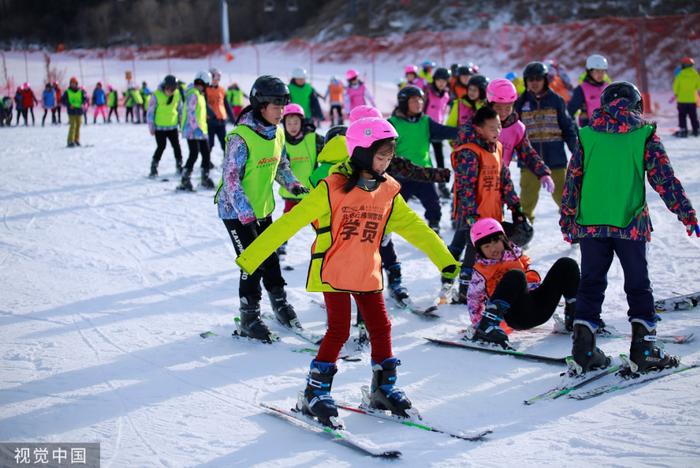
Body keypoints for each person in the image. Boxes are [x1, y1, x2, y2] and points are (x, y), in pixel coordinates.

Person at [235, 117, 460, 427]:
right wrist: (252, 258)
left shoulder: (388, 191)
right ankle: (314, 392)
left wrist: (445, 260)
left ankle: (384, 387)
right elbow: (292, 221)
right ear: (362, 152)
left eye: (390, 155)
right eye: (381, 155)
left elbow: (416, 228)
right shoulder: (332, 188)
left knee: (381, 327)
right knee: (339, 330)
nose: (387, 161)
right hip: (336, 269)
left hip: (367, 270)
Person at [560, 82, 698, 374]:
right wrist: (686, 214)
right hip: (630, 225)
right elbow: (665, 180)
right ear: (636, 106)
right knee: (638, 284)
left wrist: (567, 220)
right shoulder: (644, 134)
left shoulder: (586, 135)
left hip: (591, 224)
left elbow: (573, 181)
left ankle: (584, 351)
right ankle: (644, 350)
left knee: (591, 284)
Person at [214, 75, 308, 341]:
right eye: (276, 106)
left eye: (283, 106)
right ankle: (249, 317)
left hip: (262, 207)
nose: (281, 112)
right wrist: (245, 214)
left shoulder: (277, 132)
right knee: (252, 262)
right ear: (260, 105)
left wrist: (294, 185)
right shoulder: (240, 137)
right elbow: (231, 180)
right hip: (235, 212)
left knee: (272, 259)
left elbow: (281, 165)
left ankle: (280, 304)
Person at [444, 106, 526, 304]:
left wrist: (516, 207)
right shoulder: (469, 153)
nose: (497, 132)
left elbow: (504, 180)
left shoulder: (497, 148)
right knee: (472, 254)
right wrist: (472, 215)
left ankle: (491, 284)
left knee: (494, 251)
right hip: (473, 214)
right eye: (492, 128)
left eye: (499, 127)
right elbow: (465, 186)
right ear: (479, 129)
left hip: (493, 213)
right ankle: (464, 290)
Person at [466, 218, 579, 348]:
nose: (493, 248)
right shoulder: (481, 271)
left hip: (538, 309)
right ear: (479, 250)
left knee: (566, 264)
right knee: (516, 275)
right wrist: (478, 324)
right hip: (516, 316)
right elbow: (473, 299)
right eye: (486, 246)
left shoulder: (515, 256)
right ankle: (487, 328)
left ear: (503, 239)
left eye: (496, 241)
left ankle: (575, 318)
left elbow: (528, 283)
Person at [388, 85, 458, 234]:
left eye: (420, 100)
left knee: (433, 203)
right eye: (414, 100)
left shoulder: (426, 121)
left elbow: (444, 131)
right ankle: (385, 231)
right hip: (401, 174)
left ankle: (434, 223)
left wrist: (465, 131)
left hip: (423, 172)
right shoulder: (392, 123)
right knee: (393, 206)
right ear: (404, 102)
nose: (419, 103)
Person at [514, 61, 577, 223]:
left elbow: (568, 128)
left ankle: (573, 226)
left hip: (555, 158)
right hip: (529, 161)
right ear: (526, 81)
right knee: (527, 198)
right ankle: (524, 230)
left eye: (538, 79)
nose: (534, 82)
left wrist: (576, 151)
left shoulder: (556, 100)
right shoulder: (520, 103)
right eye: (530, 79)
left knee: (564, 196)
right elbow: (513, 131)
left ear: (545, 80)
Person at [486, 78, 553, 193]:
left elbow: (528, 153)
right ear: (489, 104)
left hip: (498, 185)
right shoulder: (477, 124)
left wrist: (543, 173)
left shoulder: (517, 128)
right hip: (473, 185)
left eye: (508, 108)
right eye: (498, 108)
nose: (503, 112)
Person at [177, 71, 214, 191]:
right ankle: (185, 180)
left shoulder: (198, 94)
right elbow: (190, 112)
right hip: (193, 130)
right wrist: (195, 127)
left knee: (206, 153)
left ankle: (205, 178)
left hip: (201, 129)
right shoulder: (193, 94)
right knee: (194, 154)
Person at [147, 74, 183, 178]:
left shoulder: (177, 94)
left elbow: (180, 110)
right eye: (169, 88)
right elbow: (150, 112)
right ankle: (154, 167)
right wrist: (151, 126)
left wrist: (181, 124)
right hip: (160, 127)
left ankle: (179, 165)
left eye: (173, 89)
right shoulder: (156, 95)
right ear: (165, 86)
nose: (170, 91)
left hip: (172, 126)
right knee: (161, 146)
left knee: (176, 146)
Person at [424, 67, 452, 198]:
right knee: (422, 156)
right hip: (424, 128)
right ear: (434, 80)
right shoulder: (428, 92)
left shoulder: (446, 95)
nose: (441, 83)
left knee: (440, 157)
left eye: (444, 81)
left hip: (438, 129)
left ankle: (441, 184)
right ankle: (419, 182)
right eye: (439, 80)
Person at [568, 55, 609, 127]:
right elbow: (570, 112)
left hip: (608, 129)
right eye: (597, 71)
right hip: (589, 130)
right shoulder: (581, 89)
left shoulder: (608, 87)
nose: (600, 74)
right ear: (589, 71)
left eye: (603, 71)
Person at [206, 68, 233, 154]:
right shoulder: (206, 90)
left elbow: (226, 105)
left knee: (224, 143)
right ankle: (207, 162)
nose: (217, 80)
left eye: (219, 78)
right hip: (210, 121)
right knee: (210, 143)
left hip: (221, 121)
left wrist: (233, 118)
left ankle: (228, 162)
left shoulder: (221, 89)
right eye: (216, 77)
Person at [672, 56, 700, 137]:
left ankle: (683, 131)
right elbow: (698, 86)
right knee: (693, 116)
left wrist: (677, 93)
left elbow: (675, 87)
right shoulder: (695, 75)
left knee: (682, 116)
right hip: (692, 100)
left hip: (682, 100)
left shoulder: (680, 75)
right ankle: (696, 130)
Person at [61, 77, 87, 147]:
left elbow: (85, 98)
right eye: (71, 83)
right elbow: (63, 100)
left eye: (74, 83)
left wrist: (83, 103)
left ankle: (76, 140)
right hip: (71, 111)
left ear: (76, 84)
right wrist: (69, 104)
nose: (73, 85)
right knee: (73, 126)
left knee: (78, 125)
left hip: (79, 111)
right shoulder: (67, 92)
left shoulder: (81, 91)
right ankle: (70, 141)